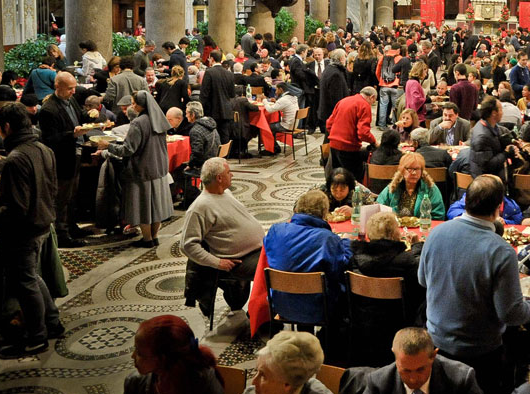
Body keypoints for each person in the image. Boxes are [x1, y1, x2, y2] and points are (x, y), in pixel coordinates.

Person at [418, 175, 530, 394]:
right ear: (499, 207)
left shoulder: (436, 233)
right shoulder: (501, 250)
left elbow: (423, 281)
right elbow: (511, 314)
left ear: (466, 200)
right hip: (480, 352)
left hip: (437, 341)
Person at [0, 103, 62, 358]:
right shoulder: (43, 149)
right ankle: (53, 322)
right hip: (43, 221)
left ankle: (36, 337)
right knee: (30, 275)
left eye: (0, 129)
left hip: (23, 229)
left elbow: (16, 206)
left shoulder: (16, 158)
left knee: (25, 281)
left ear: (7, 127)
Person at [181, 157, 264, 320]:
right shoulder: (200, 207)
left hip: (256, 249)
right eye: (228, 172)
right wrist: (217, 262)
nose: (232, 175)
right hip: (241, 260)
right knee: (274, 269)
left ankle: (262, 312)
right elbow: (187, 245)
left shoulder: (226, 193)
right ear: (219, 178)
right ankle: (261, 315)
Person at [262, 188, 352, 328]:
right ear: (324, 213)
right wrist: (345, 243)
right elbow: (339, 270)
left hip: (281, 304)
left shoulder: (276, 230)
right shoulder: (327, 239)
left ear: (297, 209)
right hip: (319, 309)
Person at [100, 90, 174, 247]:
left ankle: (147, 239)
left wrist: (108, 145)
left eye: (133, 103)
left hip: (142, 170)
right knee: (156, 206)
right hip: (159, 167)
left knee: (143, 207)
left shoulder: (138, 123)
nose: (131, 106)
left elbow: (128, 149)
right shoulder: (158, 119)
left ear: (141, 105)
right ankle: (154, 236)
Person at [359, 327, 485, 394]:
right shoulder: (378, 382)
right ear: (394, 356)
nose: (413, 380)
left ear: (433, 356)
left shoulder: (462, 379)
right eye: (406, 371)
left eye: (420, 369)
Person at [121, 315, 225, 394]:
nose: (133, 356)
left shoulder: (206, 390)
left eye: (140, 353)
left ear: (163, 359)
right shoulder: (134, 383)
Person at [349, 212, 426, 336]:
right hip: (400, 320)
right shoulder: (406, 261)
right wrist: (417, 246)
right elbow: (419, 288)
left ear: (369, 234)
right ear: (394, 234)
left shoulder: (356, 259)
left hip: (363, 319)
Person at [38, 71, 89, 247]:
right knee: (61, 197)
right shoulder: (48, 110)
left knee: (73, 194)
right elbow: (50, 139)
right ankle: (61, 234)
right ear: (57, 87)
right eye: (70, 88)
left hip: (76, 153)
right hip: (62, 158)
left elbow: (79, 116)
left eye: (74, 88)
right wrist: (72, 134)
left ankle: (71, 226)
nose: (73, 91)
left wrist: (91, 117)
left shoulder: (70, 100)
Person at [326, 86, 378, 182]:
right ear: (372, 97)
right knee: (352, 180)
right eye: (373, 102)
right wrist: (374, 142)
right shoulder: (364, 105)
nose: (372, 104)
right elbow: (363, 133)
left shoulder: (343, 101)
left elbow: (329, 123)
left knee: (337, 178)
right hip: (348, 147)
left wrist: (336, 136)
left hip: (334, 145)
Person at [377, 153, 446, 219]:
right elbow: (379, 209)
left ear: (422, 171)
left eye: (417, 169)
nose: (414, 173)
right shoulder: (392, 188)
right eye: (409, 169)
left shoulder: (430, 189)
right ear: (402, 171)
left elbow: (438, 215)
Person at [469, 97, 516, 181]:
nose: (502, 113)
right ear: (494, 113)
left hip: (493, 178)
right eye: (501, 109)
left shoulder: (490, 126)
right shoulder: (482, 136)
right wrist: (506, 153)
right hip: (486, 183)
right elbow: (487, 165)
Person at [198, 50, 236, 146]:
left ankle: (214, 156)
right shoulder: (229, 74)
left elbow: (204, 94)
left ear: (212, 59)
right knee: (224, 134)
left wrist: (201, 108)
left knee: (212, 135)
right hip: (226, 108)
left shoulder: (209, 72)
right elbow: (232, 94)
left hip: (212, 109)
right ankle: (224, 156)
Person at [317, 48, 350, 135]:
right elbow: (336, 97)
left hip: (327, 111)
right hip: (332, 113)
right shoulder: (335, 74)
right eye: (344, 57)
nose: (345, 60)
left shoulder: (329, 68)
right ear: (341, 59)